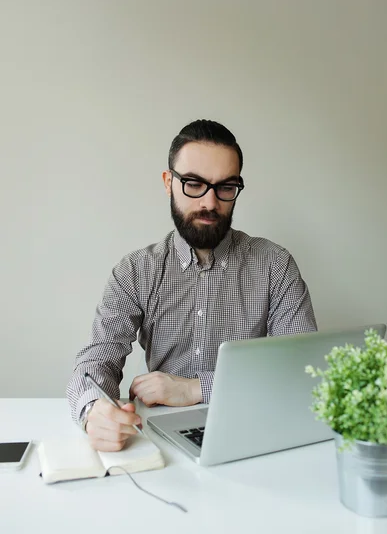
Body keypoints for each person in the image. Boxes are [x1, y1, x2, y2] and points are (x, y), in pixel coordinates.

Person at [67, 119, 317, 451]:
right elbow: (97, 359)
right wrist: (93, 410)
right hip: (158, 438)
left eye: (225, 187)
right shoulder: (134, 272)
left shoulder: (274, 264)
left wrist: (196, 389)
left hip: (254, 430)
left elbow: (302, 370)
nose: (210, 203)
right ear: (169, 182)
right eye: (194, 184)